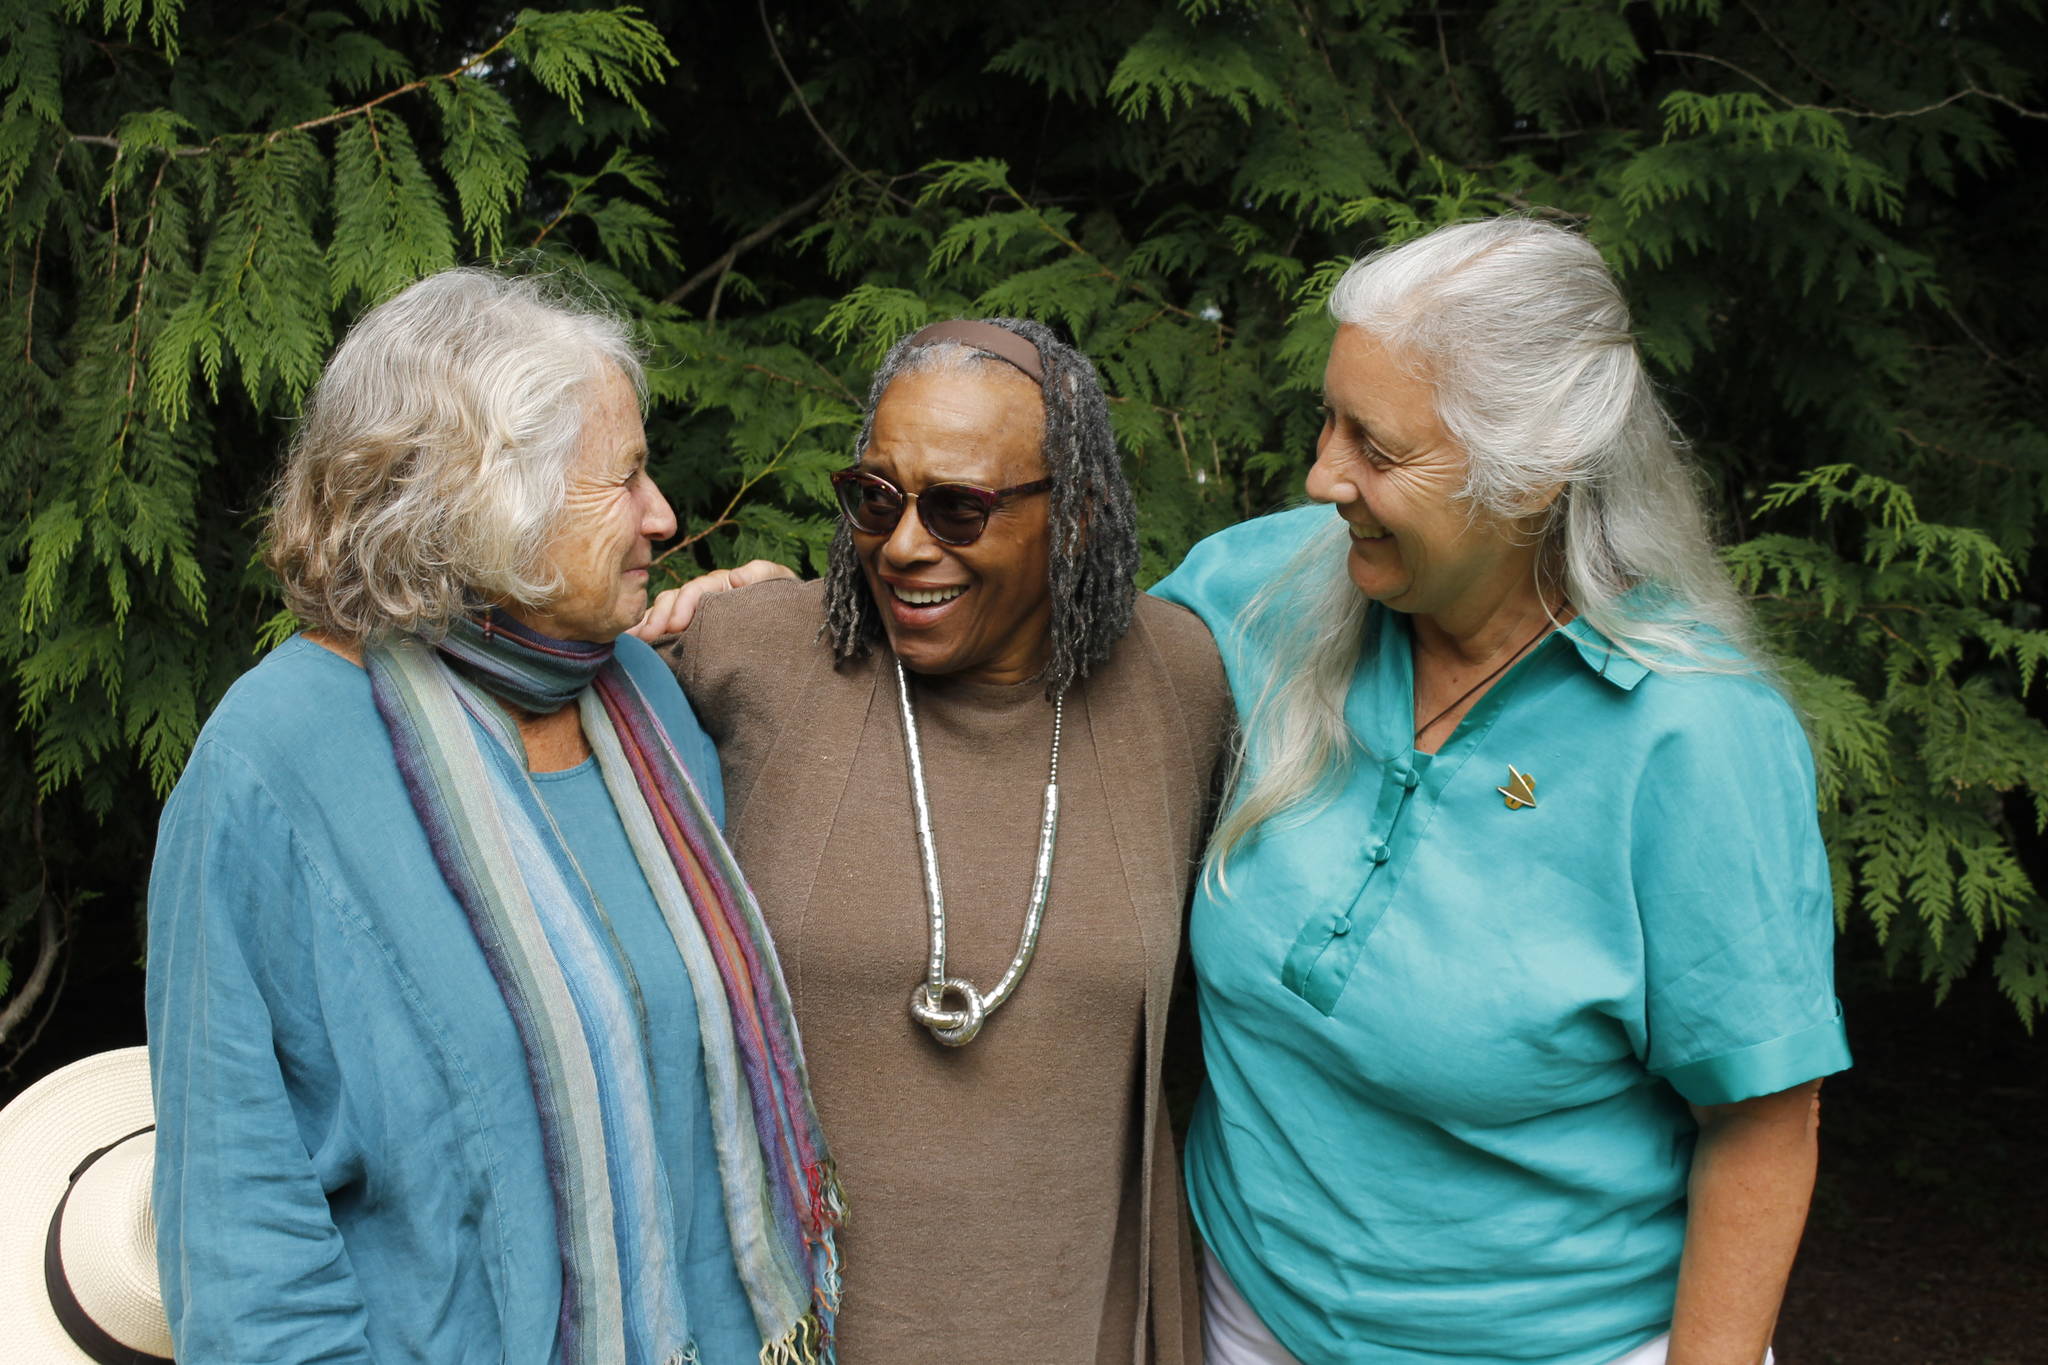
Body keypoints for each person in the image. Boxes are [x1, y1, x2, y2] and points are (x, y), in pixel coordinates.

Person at [1149, 217, 1852, 1365]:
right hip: (1247, 1319)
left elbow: (1763, 1127)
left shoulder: (1691, 737)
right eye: (1327, 420)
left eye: (1376, 448)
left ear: (1529, 480)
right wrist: (777, 627)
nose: (1324, 474)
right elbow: (1047, 684)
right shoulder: (1266, 584)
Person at [146, 269, 840, 1365]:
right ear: (480, 503)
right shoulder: (270, 765)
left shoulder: (643, 696)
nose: (662, 515)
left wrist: (780, 636)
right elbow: (244, 1246)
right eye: (622, 480)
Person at [631, 318, 1232, 1362]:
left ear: (1078, 518)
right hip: (789, 1336)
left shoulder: (1179, 684)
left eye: (958, 507)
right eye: (875, 497)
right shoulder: (746, 655)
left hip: (1080, 1328)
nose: (904, 545)